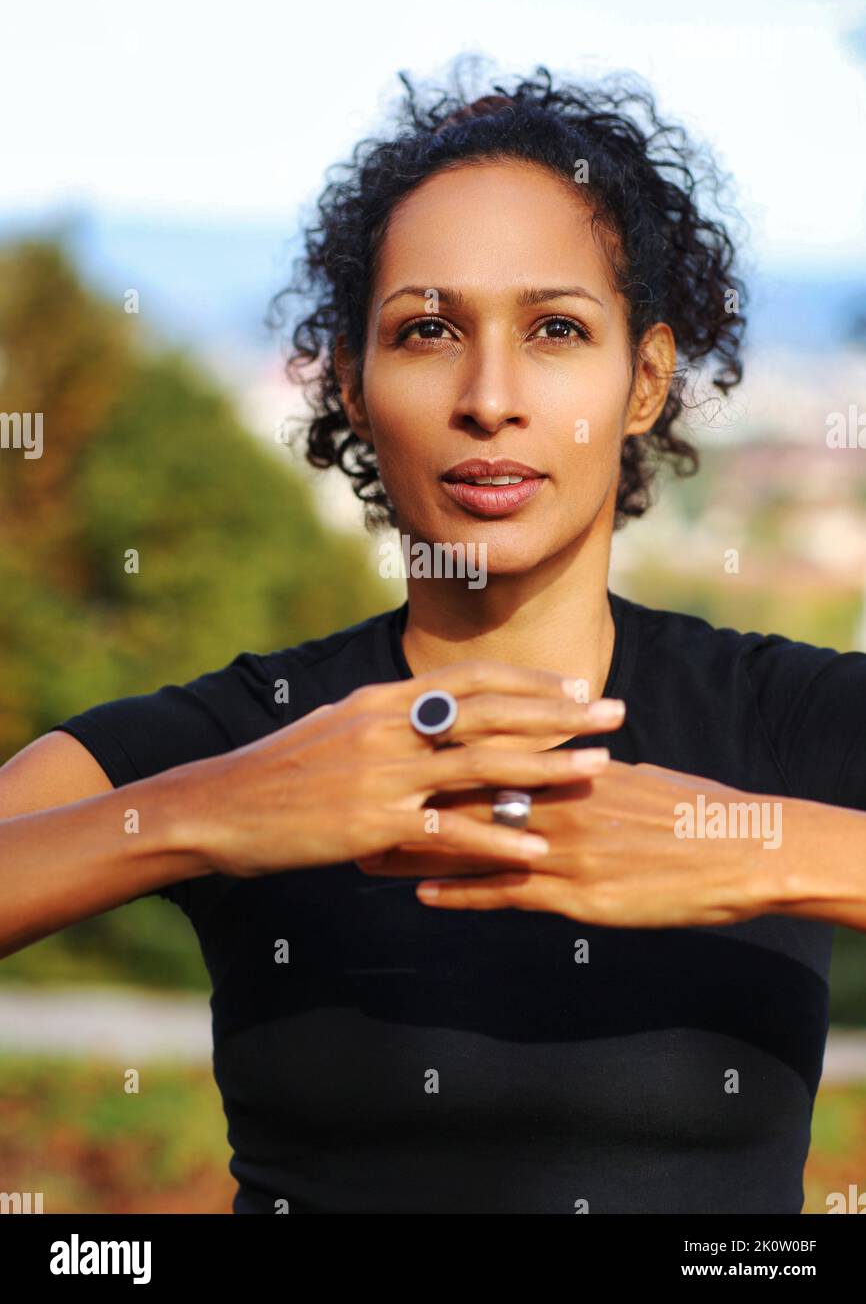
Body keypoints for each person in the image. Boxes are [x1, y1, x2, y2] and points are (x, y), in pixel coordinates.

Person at [2, 61, 866, 1215]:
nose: (490, 396)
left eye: (556, 328)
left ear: (644, 380)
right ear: (353, 387)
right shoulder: (250, 736)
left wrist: (753, 846)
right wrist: (208, 812)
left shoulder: (782, 717)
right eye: (425, 331)